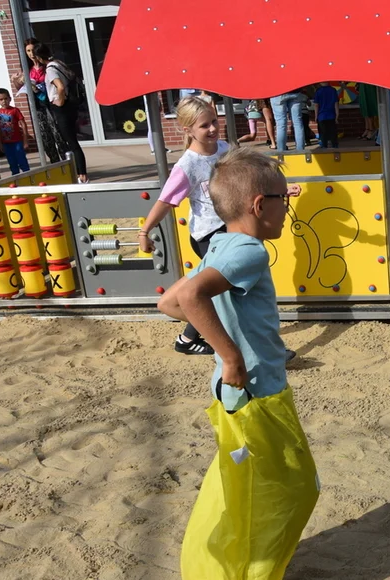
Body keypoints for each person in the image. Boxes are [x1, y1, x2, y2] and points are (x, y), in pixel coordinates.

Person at [156, 146, 293, 413]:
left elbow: (168, 303)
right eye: (284, 198)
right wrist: (232, 358)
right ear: (260, 204)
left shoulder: (219, 245)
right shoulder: (251, 251)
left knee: (240, 455)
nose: (287, 208)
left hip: (231, 386)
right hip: (257, 386)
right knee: (276, 455)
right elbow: (188, 296)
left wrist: (225, 330)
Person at [138, 97, 231, 355]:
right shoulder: (187, 165)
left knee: (218, 289)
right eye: (204, 126)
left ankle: (188, 338)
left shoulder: (225, 148)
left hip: (230, 229)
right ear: (187, 130)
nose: (212, 128)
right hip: (209, 234)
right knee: (223, 290)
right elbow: (166, 201)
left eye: (214, 121)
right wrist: (145, 231)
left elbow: (246, 176)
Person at [34, 43, 88, 183]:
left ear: (39, 57)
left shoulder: (51, 69)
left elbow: (60, 86)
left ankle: (81, 175)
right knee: (72, 141)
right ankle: (80, 173)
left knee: (71, 142)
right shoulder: (58, 63)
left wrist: (59, 101)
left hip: (62, 108)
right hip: (70, 106)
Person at [11, 37, 64, 164]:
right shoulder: (27, 70)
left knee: (58, 135)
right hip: (38, 106)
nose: (31, 54)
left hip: (51, 104)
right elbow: (21, 88)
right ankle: (54, 163)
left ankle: (66, 162)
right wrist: (16, 81)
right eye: (28, 51)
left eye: (33, 50)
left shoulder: (47, 66)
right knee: (46, 137)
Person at [0, 89, 30, 175]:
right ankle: (16, 178)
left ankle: (28, 176)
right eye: (1, 99)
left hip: (17, 141)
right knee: (12, 162)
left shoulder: (15, 110)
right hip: (6, 143)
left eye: (6, 98)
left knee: (22, 160)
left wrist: (25, 140)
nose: (4, 101)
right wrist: (0, 143)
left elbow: (23, 124)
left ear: (10, 99)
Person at [313, 82, 339, 149]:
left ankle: (324, 146)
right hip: (331, 115)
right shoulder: (333, 90)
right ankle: (334, 146)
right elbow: (336, 103)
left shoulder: (318, 91)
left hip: (321, 116)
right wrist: (337, 115)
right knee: (333, 132)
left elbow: (316, 105)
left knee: (323, 133)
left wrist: (316, 116)